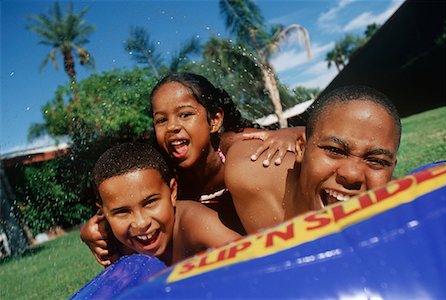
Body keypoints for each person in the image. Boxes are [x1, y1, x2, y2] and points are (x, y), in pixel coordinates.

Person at [81, 72, 303, 266]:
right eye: (161, 120)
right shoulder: (164, 171)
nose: (173, 127)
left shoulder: (243, 147)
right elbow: (123, 203)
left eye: (185, 115)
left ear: (214, 120)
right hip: (226, 245)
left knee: (248, 168)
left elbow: (322, 139)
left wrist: (295, 133)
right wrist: (94, 231)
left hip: (273, 238)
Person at [225, 85, 401, 233]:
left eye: (377, 161)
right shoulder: (248, 172)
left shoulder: (400, 208)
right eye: (335, 150)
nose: (352, 174)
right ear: (301, 148)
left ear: (392, 167)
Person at [92, 142, 241, 266]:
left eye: (150, 202)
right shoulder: (113, 240)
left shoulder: (195, 223)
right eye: (122, 212)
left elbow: (253, 259)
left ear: (172, 192)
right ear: (104, 212)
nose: (141, 223)